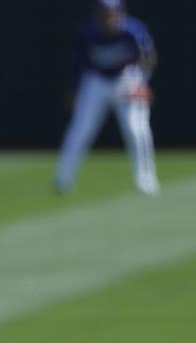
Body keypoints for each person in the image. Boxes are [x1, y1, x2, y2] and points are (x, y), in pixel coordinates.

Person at [54, 0, 159, 196]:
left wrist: (142, 82)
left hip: (127, 77)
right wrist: (74, 91)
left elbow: (149, 59)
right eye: (104, 13)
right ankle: (63, 180)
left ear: (120, 12)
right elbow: (77, 64)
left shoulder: (133, 31)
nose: (108, 17)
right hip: (96, 80)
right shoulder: (87, 32)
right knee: (80, 130)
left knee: (136, 128)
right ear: (97, 13)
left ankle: (145, 178)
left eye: (112, 12)